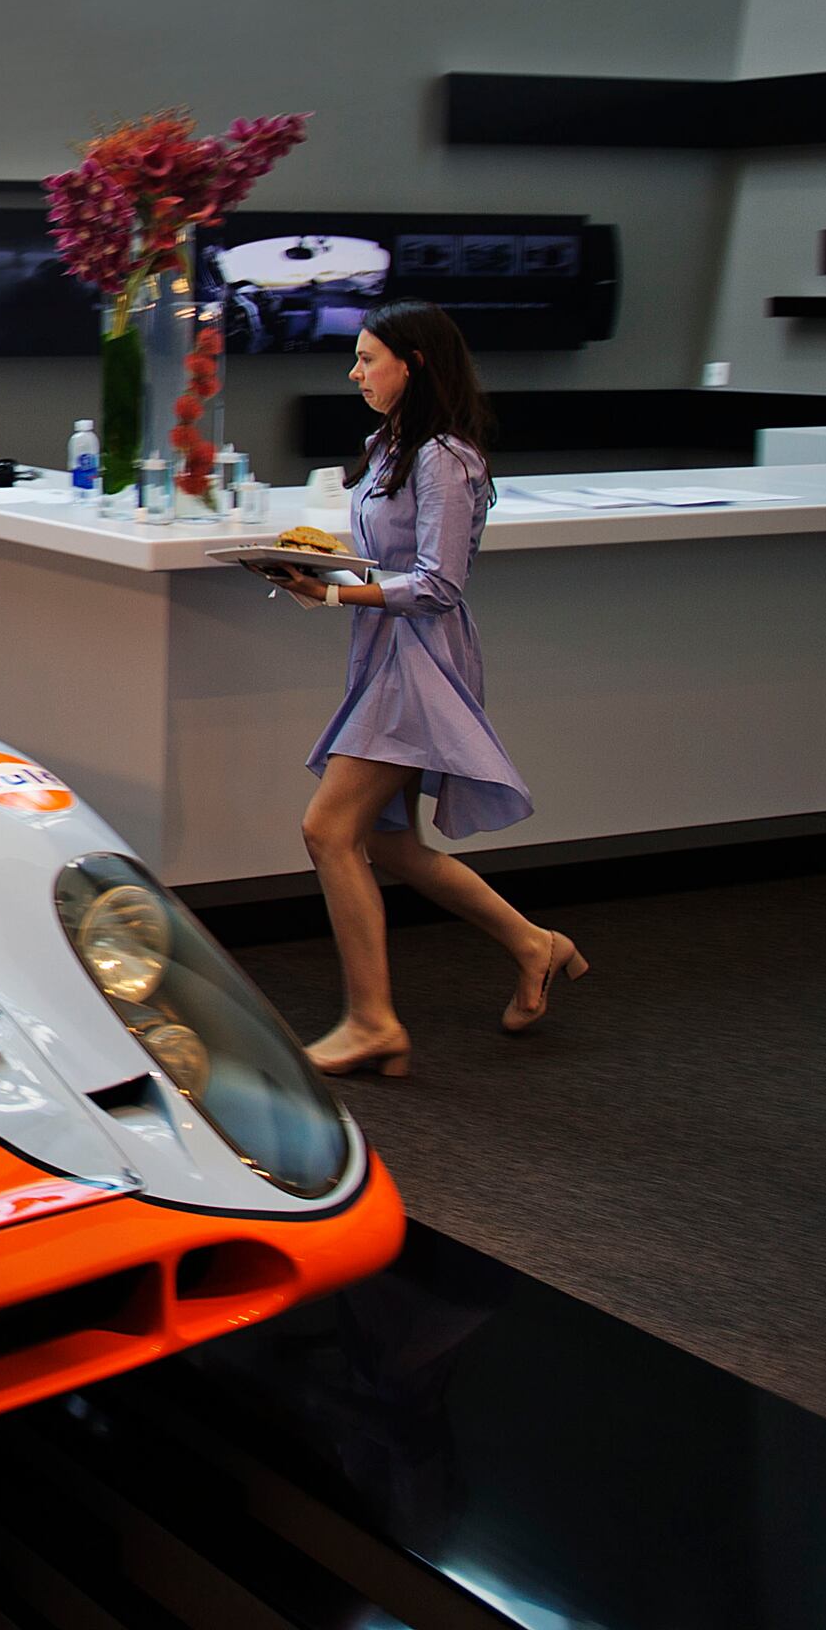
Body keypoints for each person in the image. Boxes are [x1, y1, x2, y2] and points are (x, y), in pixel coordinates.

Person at [266, 299, 585, 1076]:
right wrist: (323, 571)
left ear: (414, 365)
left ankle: (374, 1022)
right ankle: (534, 945)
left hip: (421, 663)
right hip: (388, 654)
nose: (356, 372)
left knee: (329, 831)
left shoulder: (443, 454)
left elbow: (439, 584)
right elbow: (395, 560)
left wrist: (336, 594)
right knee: (389, 844)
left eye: (370, 358)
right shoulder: (393, 448)